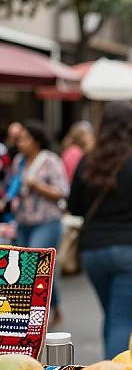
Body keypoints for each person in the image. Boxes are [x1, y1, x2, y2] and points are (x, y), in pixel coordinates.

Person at [68, 101, 132, 359]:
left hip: (93, 250)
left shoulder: (88, 160)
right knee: (122, 318)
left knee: (112, 316)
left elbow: (74, 206)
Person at [3, 120, 69, 325]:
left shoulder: (50, 160)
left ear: (36, 140)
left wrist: (38, 186)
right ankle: (53, 307)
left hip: (46, 221)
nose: (20, 143)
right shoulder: (19, 161)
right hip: (23, 221)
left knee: (36, 265)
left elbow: (62, 192)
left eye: (24, 139)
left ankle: (36, 315)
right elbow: (13, 187)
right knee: (29, 268)